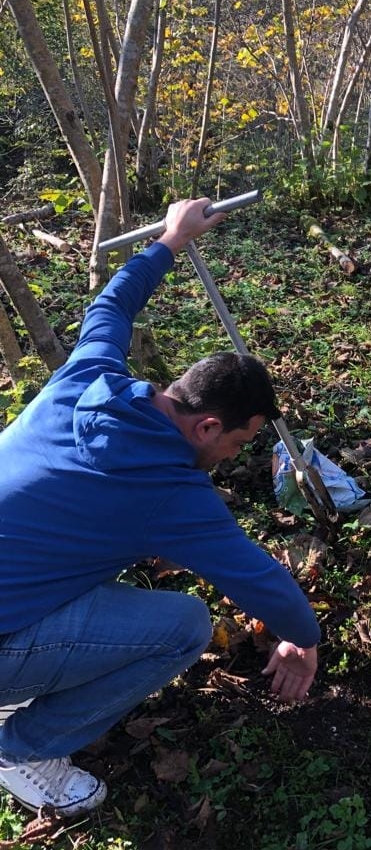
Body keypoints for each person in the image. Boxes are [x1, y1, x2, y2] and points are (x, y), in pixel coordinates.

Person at [0, 198, 321, 818]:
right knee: (184, 626)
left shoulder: (86, 376)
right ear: (206, 425)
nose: (233, 456)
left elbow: (112, 304)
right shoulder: (169, 493)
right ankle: (21, 748)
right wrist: (302, 640)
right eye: (239, 441)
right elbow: (259, 577)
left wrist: (171, 240)